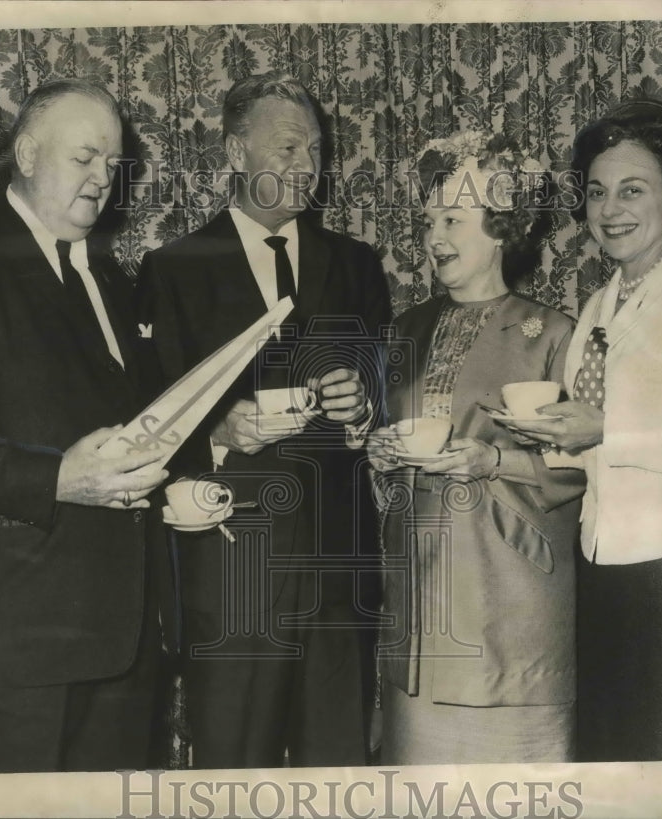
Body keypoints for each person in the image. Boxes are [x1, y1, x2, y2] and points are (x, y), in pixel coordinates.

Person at [0, 79, 172, 773]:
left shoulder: (104, 274)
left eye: (114, 163)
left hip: (116, 645)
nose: (104, 177)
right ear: (26, 153)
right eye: (85, 157)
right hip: (9, 651)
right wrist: (56, 478)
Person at [137, 72, 391, 768]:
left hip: (340, 573)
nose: (306, 166)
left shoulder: (357, 264)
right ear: (235, 152)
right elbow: (150, 421)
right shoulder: (174, 269)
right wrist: (219, 431)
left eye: (313, 150)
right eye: (286, 149)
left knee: (340, 777)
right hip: (232, 573)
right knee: (232, 775)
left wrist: (362, 406)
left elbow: (384, 396)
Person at [504, 99, 662, 760]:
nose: (610, 208)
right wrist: (553, 437)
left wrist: (607, 431)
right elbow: (596, 451)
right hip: (607, 577)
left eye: (632, 189)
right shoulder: (600, 302)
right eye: (597, 192)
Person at [366, 131, 586, 764]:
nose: (435, 236)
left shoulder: (553, 333)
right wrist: (381, 456)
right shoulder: (403, 331)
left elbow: (582, 468)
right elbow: (391, 450)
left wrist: (492, 460)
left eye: (453, 220)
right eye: (429, 220)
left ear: (500, 229)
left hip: (512, 601)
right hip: (419, 605)